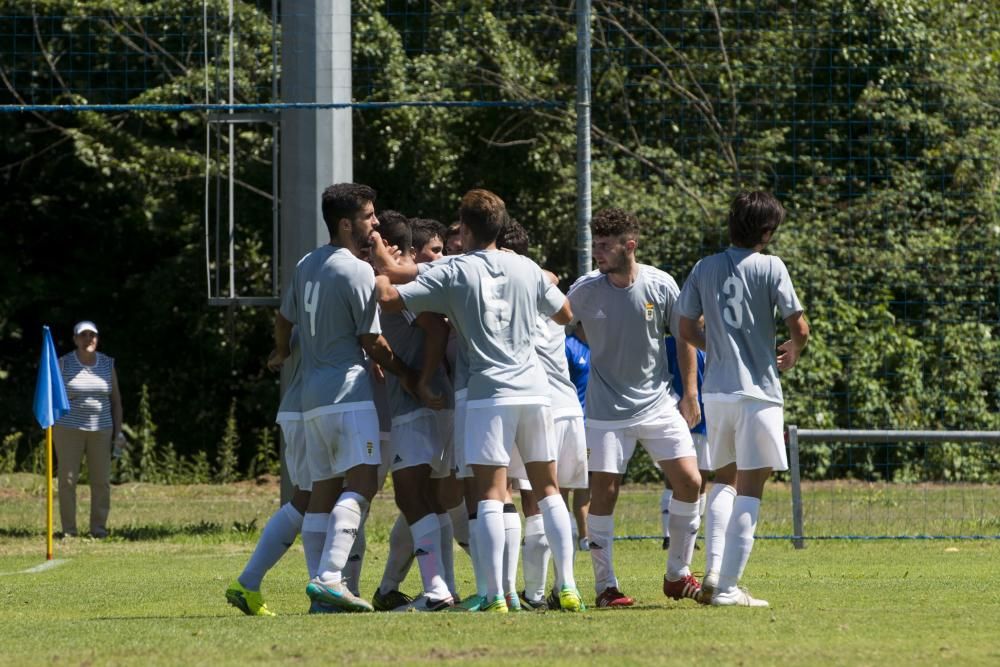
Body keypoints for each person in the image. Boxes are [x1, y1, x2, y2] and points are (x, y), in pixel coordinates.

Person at [376, 188, 585, 614]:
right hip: (535, 390)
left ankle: (494, 595)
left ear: (465, 229)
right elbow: (565, 314)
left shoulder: (456, 269)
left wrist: (380, 269)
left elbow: (391, 294)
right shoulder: (527, 267)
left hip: (489, 392)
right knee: (548, 490)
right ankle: (568, 586)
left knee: (490, 493)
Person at [270, 182, 420, 614]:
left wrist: (282, 354)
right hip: (349, 394)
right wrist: (408, 375)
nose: (375, 223)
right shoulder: (355, 271)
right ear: (345, 223)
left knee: (322, 491)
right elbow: (372, 340)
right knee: (363, 481)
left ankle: (321, 597)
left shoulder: (305, 264)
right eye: (369, 216)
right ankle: (331, 577)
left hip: (311, 398)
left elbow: (283, 320)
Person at [677, 190, 809, 607]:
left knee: (724, 480)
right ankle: (728, 588)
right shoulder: (772, 267)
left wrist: (713, 348)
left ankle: (714, 570)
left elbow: (684, 327)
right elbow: (800, 327)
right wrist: (793, 349)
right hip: (759, 394)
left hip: (718, 391)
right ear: (766, 232)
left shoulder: (705, 267)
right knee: (752, 487)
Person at [567, 208, 703, 608]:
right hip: (605, 410)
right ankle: (605, 587)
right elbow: (554, 323)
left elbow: (684, 338)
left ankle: (678, 574)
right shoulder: (584, 289)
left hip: (659, 403)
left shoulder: (660, 285)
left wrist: (690, 392)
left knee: (690, 482)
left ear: (630, 246)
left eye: (606, 246)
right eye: (595, 245)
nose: (598, 254)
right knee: (604, 493)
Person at [226, 327, 310, 616]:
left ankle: (250, 582)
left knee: (318, 498)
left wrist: (281, 349)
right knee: (312, 498)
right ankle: (323, 591)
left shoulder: (307, 296)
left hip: (309, 409)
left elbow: (283, 325)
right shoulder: (330, 289)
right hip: (310, 410)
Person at [53, 320, 123, 539]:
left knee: (101, 481)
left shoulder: (107, 363)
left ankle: (98, 529)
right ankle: (69, 531)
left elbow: (116, 401)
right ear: (75, 339)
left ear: (97, 338)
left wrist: (118, 432)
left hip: (101, 430)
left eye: (91, 335)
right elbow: (52, 398)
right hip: (68, 429)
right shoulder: (63, 363)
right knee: (67, 481)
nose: (88, 340)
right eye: (83, 335)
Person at [660, 334, 711, 551]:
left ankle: (693, 534)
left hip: (706, 419)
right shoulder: (669, 344)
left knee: (702, 479)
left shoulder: (712, 341)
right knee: (673, 478)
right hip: (676, 419)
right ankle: (667, 535)